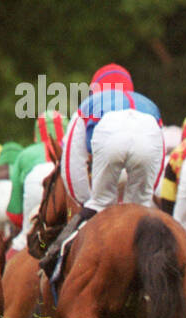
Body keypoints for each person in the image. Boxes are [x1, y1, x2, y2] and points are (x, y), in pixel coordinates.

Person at [42, 63, 162, 273]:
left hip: (109, 140)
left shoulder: (90, 103)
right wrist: (145, 197)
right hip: (149, 137)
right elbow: (158, 161)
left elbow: (71, 167)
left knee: (99, 203)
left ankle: (52, 259)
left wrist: (87, 201)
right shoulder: (148, 104)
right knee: (139, 209)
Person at [5, 112, 64, 256]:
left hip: (36, 193)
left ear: (36, 133)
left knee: (21, 243)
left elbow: (14, 212)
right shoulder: (73, 148)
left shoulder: (24, 155)